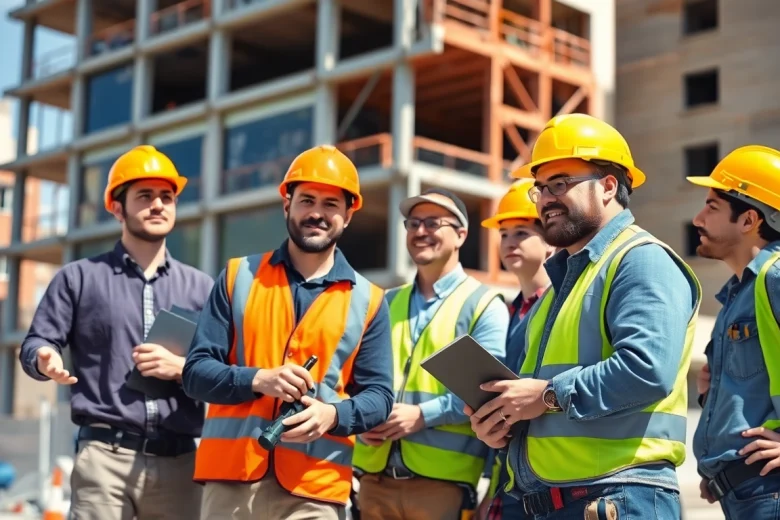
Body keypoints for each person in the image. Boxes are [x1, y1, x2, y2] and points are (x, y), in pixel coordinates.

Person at [466, 113, 702, 519]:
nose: (545, 199)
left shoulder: (641, 260)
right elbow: (537, 401)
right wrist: (501, 423)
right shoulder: (561, 286)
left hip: (620, 497)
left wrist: (544, 394)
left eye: (560, 184)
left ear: (609, 186)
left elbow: (647, 369)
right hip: (555, 501)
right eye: (541, 188)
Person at [182, 144, 394, 520]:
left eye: (331, 204)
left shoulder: (370, 301)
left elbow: (379, 397)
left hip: (316, 488)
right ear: (287, 205)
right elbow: (196, 373)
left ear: (348, 215)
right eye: (307, 200)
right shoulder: (237, 277)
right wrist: (259, 379)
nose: (317, 212)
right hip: (231, 481)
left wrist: (332, 415)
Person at [19, 145, 215, 519]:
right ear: (116, 207)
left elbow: (224, 367)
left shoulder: (201, 287)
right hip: (105, 459)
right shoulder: (78, 278)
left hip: (181, 464)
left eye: (167, 196)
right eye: (145, 196)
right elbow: (37, 342)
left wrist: (182, 367)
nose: (158, 205)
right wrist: (43, 357)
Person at [352, 188, 510, 520]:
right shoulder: (385, 302)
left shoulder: (483, 306)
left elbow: (489, 391)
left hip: (442, 485)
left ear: (461, 235)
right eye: (413, 223)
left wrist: (422, 415)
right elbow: (355, 377)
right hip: (372, 479)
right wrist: (361, 418)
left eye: (433, 223)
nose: (420, 231)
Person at [687, 145, 780, 519]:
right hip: (744, 492)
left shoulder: (774, 277)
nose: (697, 218)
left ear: (748, 221)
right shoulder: (738, 293)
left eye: (712, 207)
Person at [477, 180, 554, 519]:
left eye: (521, 232)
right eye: (504, 234)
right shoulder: (507, 312)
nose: (509, 242)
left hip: (551, 474)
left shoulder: (562, 306)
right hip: (510, 470)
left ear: (550, 240)